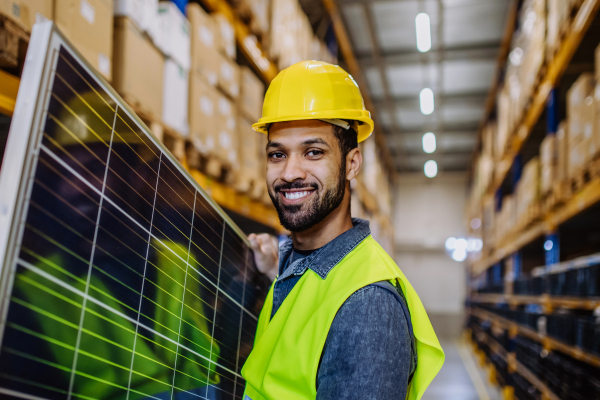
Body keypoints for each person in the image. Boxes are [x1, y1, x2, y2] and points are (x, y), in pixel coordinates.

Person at [241, 61, 445, 400]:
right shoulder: (298, 266)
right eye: (277, 154)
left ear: (352, 163)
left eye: (313, 152)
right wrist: (275, 269)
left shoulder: (367, 307)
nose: (290, 172)